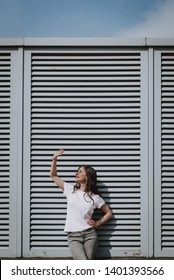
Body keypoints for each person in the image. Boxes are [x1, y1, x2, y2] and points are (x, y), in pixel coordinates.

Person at [50, 148, 112, 260]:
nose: (76, 173)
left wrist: (97, 224)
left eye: (80, 171)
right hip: (73, 237)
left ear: (87, 176)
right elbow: (54, 176)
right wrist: (54, 159)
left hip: (90, 235)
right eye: (77, 171)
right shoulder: (70, 190)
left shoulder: (95, 197)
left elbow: (108, 213)